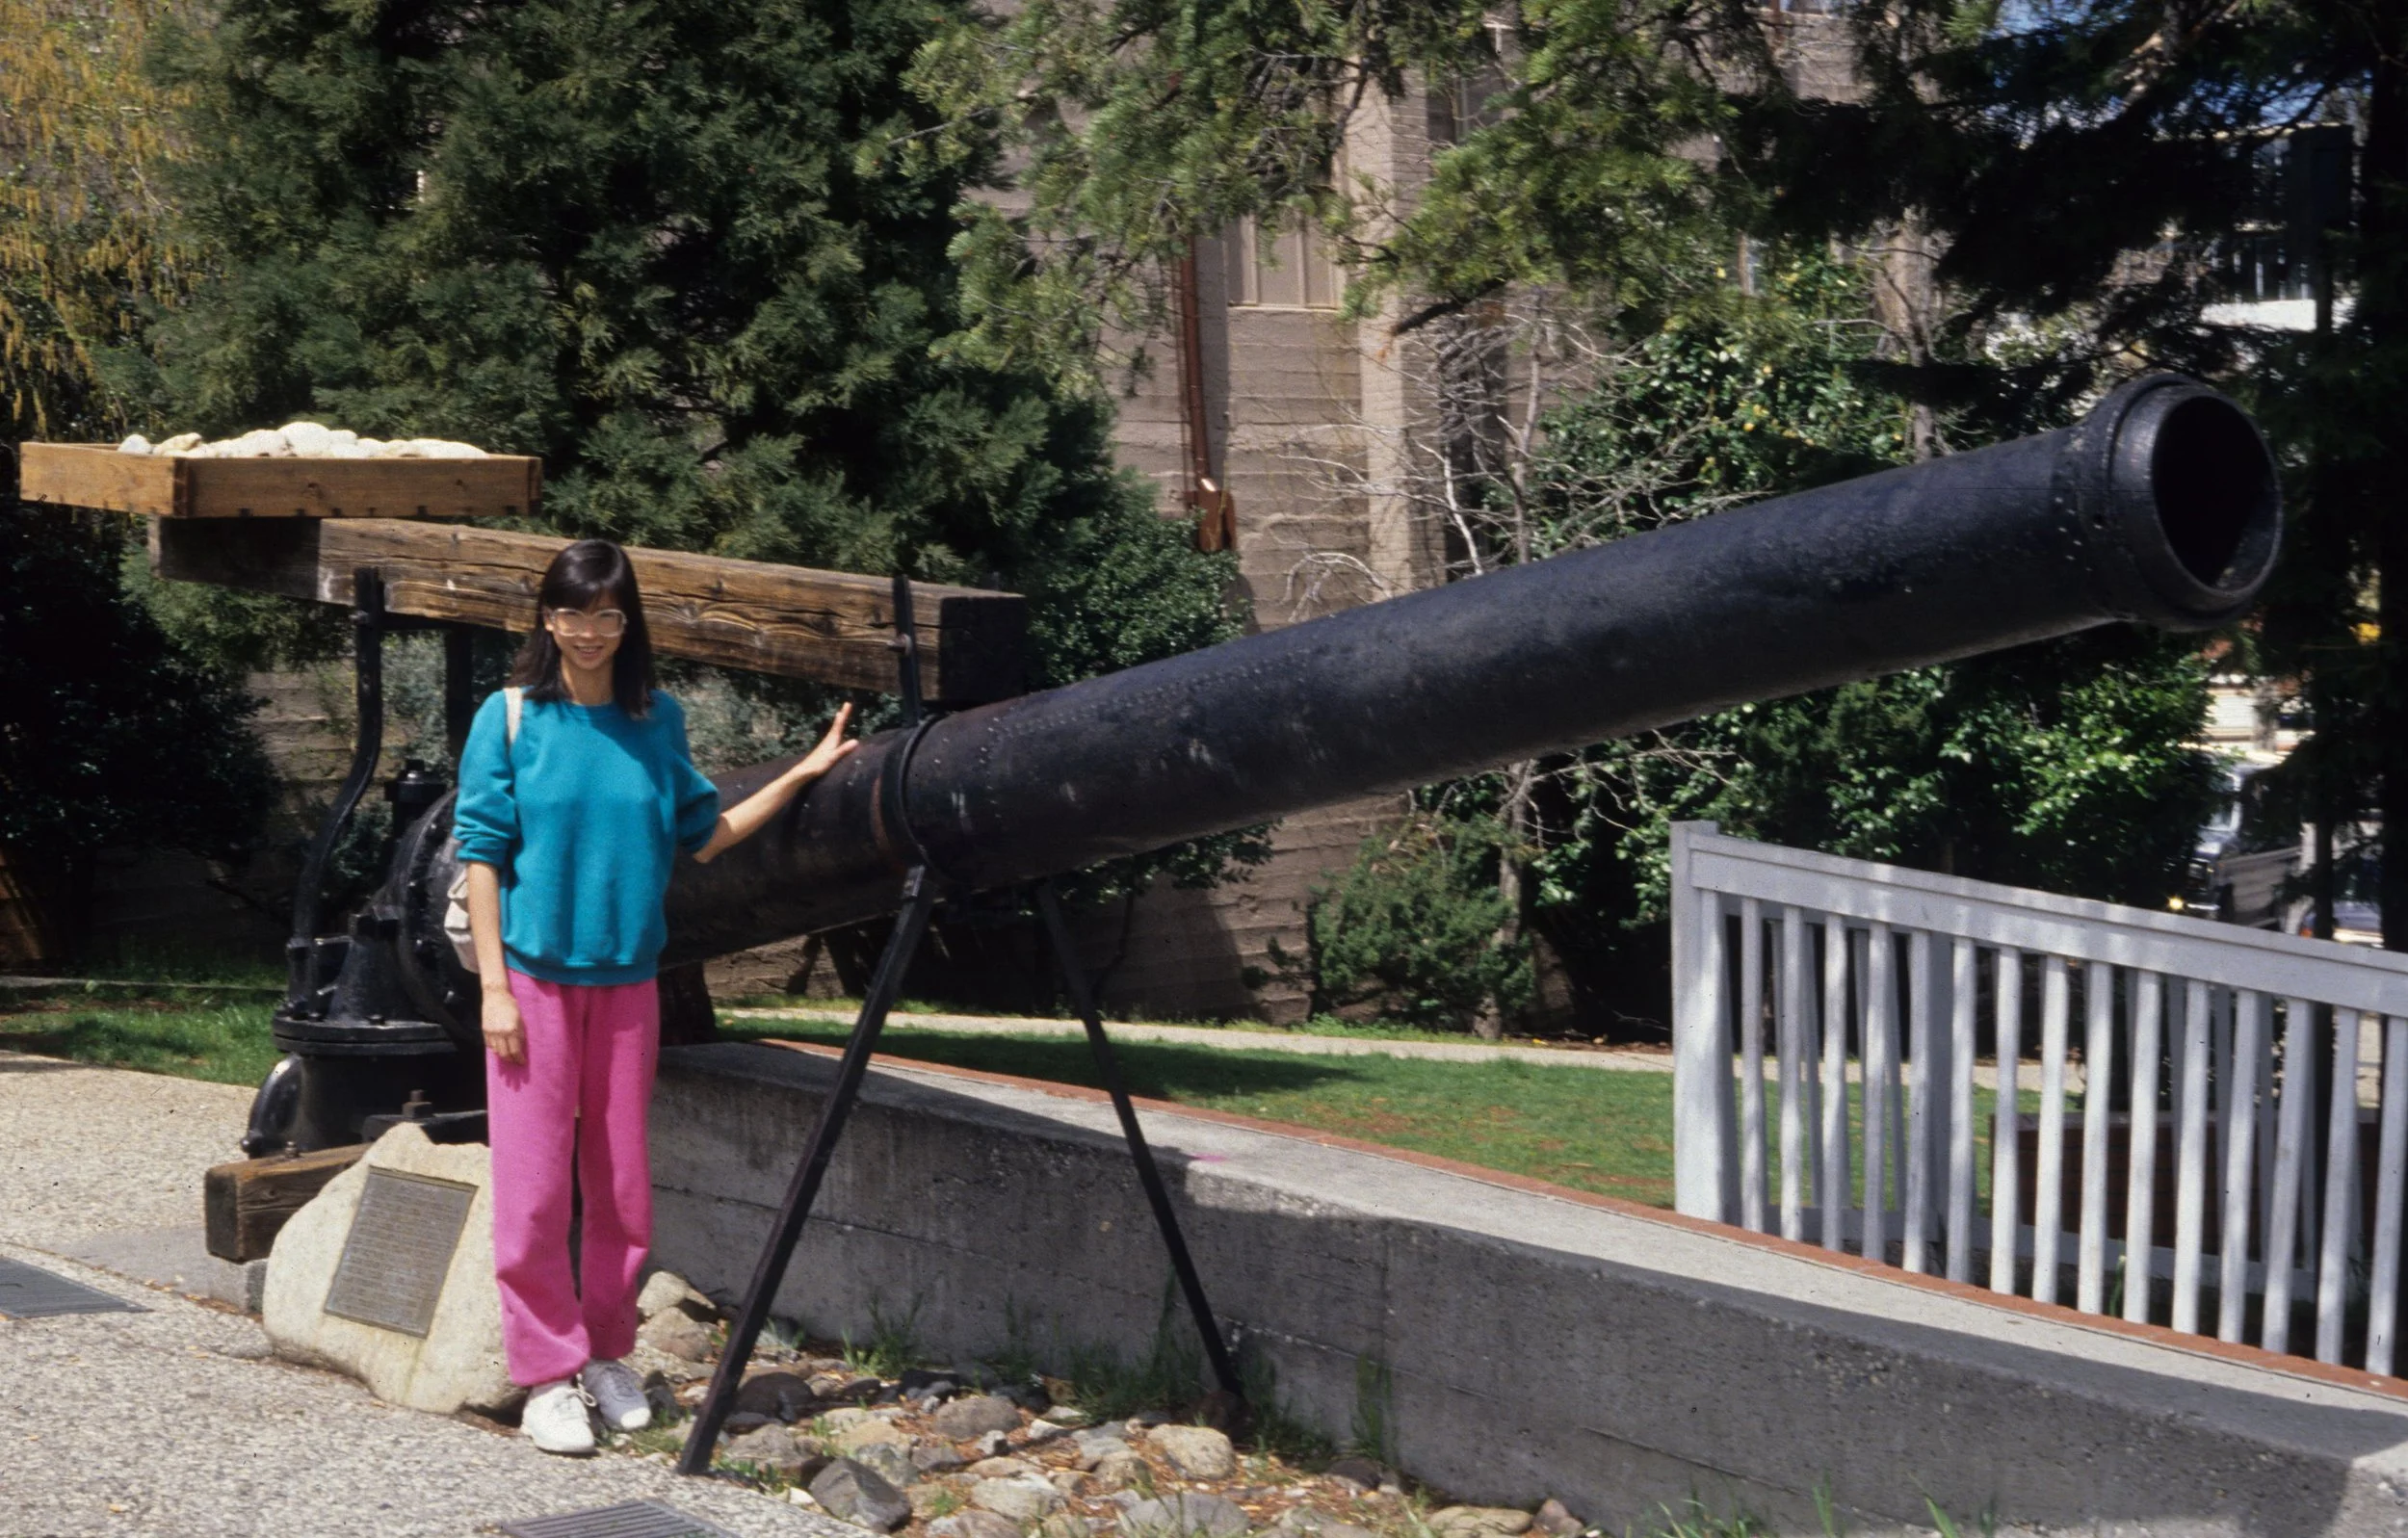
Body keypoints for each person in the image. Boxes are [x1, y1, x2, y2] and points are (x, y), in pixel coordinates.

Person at [453, 537, 857, 1455]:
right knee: (533, 1194)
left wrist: (801, 773)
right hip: (533, 988)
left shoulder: (654, 719)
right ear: (546, 618)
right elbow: (480, 856)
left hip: (630, 988)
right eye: (570, 613)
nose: (587, 632)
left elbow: (703, 834)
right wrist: (494, 991)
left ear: (626, 622)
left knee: (624, 1190)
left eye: (605, 614)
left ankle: (605, 1354)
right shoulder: (511, 716)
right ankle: (548, 1375)